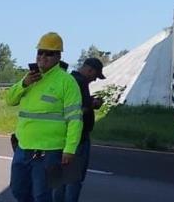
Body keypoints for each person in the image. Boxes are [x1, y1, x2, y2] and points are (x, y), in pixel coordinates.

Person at [6, 32, 83, 202]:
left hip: (50, 152)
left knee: (43, 195)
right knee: (18, 190)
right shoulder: (30, 78)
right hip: (23, 148)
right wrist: (24, 83)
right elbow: (10, 100)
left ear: (58, 56)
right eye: (40, 52)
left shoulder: (66, 82)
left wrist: (70, 149)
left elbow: (75, 119)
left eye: (48, 53)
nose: (43, 57)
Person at [53, 57, 105, 202]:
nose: (95, 80)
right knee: (73, 181)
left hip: (64, 137)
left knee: (60, 180)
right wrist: (92, 105)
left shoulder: (69, 80)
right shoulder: (80, 83)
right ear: (90, 70)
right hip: (78, 138)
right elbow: (77, 111)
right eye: (95, 76)